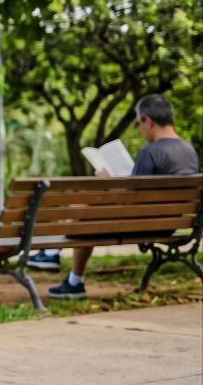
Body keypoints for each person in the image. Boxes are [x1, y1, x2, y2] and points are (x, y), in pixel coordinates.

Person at [31, 94, 198, 299]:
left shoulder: (150, 152)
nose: (140, 129)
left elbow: (128, 200)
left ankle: (57, 261)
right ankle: (63, 267)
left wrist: (108, 180)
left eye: (138, 124)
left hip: (142, 225)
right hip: (170, 222)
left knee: (82, 207)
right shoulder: (189, 150)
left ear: (149, 121)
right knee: (84, 201)